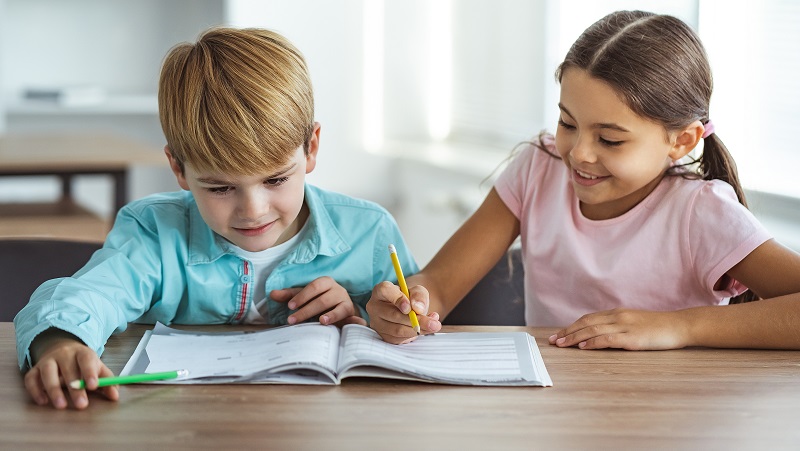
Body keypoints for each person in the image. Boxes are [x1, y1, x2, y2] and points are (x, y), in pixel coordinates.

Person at [14, 27, 417, 410]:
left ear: (310, 148)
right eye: (220, 188)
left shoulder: (369, 233)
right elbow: (90, 295)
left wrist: (367, 318)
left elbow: (409, 326)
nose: (253, 210)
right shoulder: (153, 232)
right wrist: (60, 343)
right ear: (178, 167)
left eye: (276, 179)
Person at [367, 10, 800, 349]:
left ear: (681, 141)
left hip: (669, 415)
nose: (578, 153)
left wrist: (678, 326)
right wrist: (412, 305)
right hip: (555, 408)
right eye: (567, 123)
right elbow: (440, 283)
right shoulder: (538, 168)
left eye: (610, 139)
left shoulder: (700, 212)